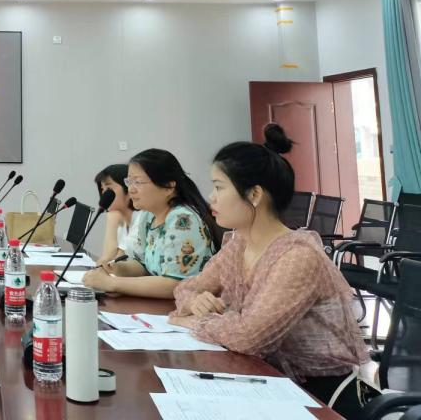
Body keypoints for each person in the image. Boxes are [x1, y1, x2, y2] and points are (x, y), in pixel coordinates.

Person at [168, 124, 369, 414]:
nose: (211, 197)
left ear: (254, 195)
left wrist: (193, 321)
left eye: (219, 187)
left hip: (317, 397)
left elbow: (249, 338)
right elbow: (187, 287)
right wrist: (195, 301)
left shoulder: (297, 256)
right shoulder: (239, 243)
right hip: (267, 381)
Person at [83, 148, 219, 298]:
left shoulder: (183, 220)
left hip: (185, 304)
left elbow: (174, 285)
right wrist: (117, 268)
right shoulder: (148, 216)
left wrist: (112, 283)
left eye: (138, 182)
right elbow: (142, 264)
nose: (131, 190)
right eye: (129, 182)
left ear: (168, 187)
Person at [93, 164, 138, 266]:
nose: (104, 194)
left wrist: (112, 222)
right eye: (102, 189)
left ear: (129, 190)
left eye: (109, 188)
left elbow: (107, 259)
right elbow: (110, 262)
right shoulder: (123, 222)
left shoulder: (141, 220)